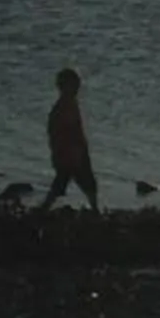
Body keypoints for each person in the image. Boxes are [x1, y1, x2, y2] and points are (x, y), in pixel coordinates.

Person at [42, 65, 100, 211]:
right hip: (70, 153)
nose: (77, 89)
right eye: (73, 86)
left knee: (65, 183)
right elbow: (60, 133)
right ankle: (94, 210)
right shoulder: (62, 108)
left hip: (74, 152)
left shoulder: (70, 105)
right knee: (81, 182)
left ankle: (44, 208)